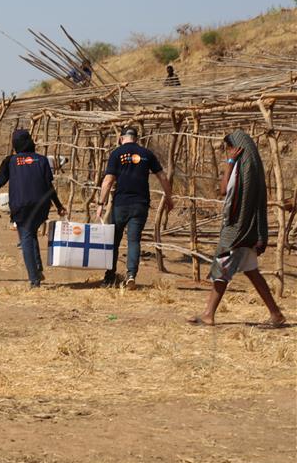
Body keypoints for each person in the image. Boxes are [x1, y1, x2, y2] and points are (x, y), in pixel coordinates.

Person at [187, 130, 286, 328]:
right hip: (247, 229)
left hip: (238, 230)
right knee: (251, 271)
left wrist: (229, 163)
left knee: (222, 266)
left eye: (229, 148)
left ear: (236, 148)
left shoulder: (241, 168)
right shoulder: (251, 167)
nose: (228, 151)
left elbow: (224, 190)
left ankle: (208, 314)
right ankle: (275, 313)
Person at [0, 129, 66, 287]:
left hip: (21, 205)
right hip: (41, 205)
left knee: (25, 237)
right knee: (31, 232)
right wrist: (59, 206)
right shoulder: (42, 160)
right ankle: (37, 267)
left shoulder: (10, 161)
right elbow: (49, 186)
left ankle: (34, 279)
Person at [96, 127, 174, 289]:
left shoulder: (117, 154)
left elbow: (108, 180)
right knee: (133, 240)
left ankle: (110, 276)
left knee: (114, 241)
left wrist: (100, 203)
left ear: (121, 138)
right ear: (136, 139)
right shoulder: (147, 154)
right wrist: (168, 197)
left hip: (121, 204)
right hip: (140, 204)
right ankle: (131, 275)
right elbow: (163, 176)